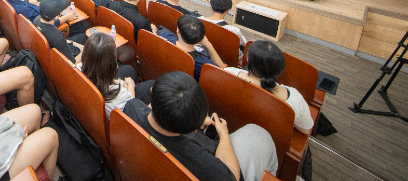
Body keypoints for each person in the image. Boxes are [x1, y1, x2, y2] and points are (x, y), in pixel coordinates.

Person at [123, 72, 278, 181]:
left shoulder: (131, 107)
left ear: (152, 93)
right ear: (193, 130)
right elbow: (232, 176)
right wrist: (223, 134)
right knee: (257, 132)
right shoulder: (199, 160)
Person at [224, 40, 314, 134]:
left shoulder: (227, 73)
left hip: (233, 129)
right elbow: (306, 130)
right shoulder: (294, 100)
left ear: (248, 59)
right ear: (280, 69)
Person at [82, 32, 154, 116]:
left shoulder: (80, 67)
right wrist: (131, 86)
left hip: (98, 91)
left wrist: (115, 82)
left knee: (129, 69)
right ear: (111, 64)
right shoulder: (119, 96)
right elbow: (132, 106)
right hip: (120, 110)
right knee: (151, 84)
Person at [161, 15, 225, 81]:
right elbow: (221, 70)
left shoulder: (165, 37)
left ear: (178, 31)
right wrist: (208, 45)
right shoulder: (202, 63)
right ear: (201, 37)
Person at [33, 0, 87, 64]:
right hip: (65, 60)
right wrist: (85, 51)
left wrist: (74, 43)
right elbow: (72, 63)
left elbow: (61, 42)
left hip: (54, 49)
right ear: (57, 17)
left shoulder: (37, 20)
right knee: (86, 37)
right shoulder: (57, 36)